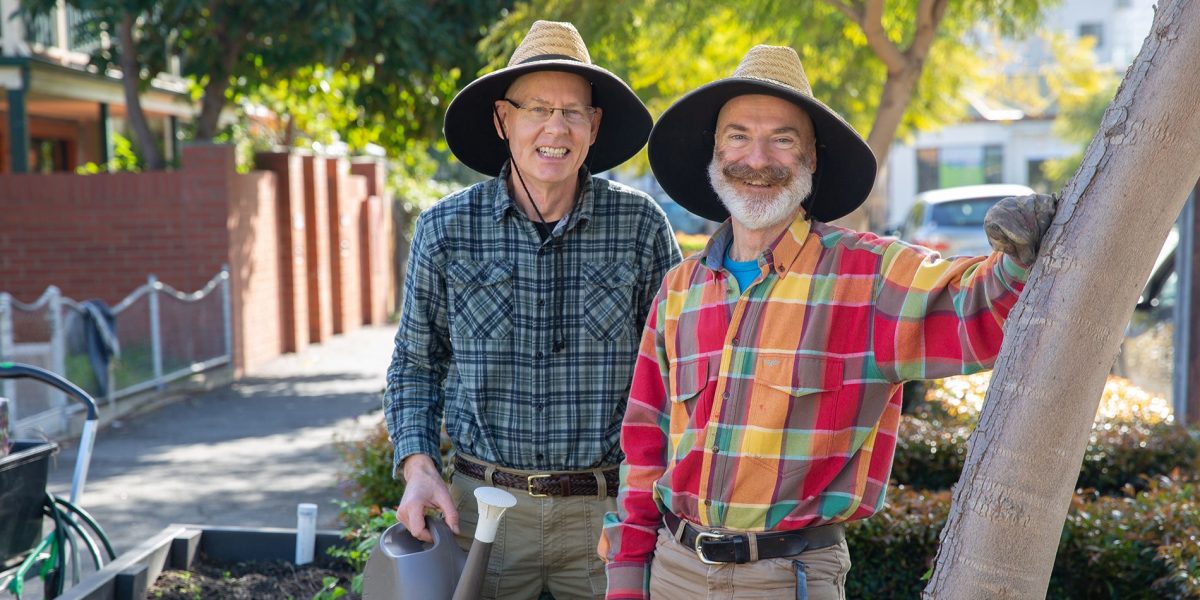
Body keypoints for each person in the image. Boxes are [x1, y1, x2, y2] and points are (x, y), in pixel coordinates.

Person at [599, 45, 1057, 599]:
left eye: (782, 139)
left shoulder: (869, 276)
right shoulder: (680, 288)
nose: (757, 158)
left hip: (788, 579)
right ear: (715, 153)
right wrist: (626, 575)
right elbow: (645, 445)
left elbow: (980, 309)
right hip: (673, 571)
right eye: (738, 136)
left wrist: (1021, 254)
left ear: (812, 159)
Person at [384, 20, 682, 600]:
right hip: (480, 514)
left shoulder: (641, 226)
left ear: (594, 126)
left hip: (608, 513)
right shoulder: (445, 229)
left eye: (573, 112)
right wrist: (418, 466)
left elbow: (677, 370)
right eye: (538, 109)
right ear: (503, 120)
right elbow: (415, 365)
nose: (556, 128)